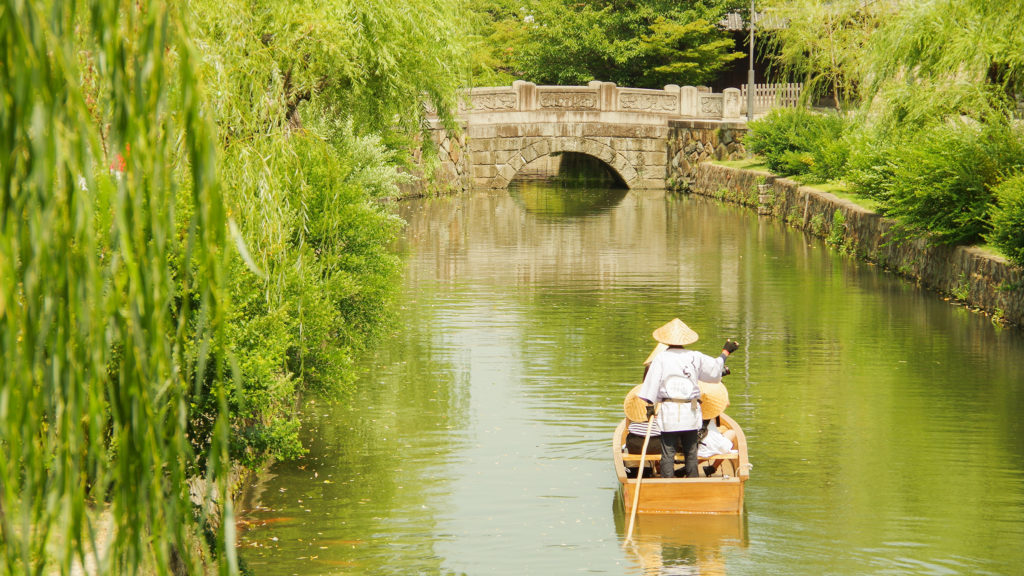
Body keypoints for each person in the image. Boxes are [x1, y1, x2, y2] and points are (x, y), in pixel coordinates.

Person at [637, 318, 739, 478]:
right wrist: (725, 352)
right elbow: (715, 370)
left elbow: (650, 384)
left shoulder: (661, 359)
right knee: (691, 453)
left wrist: (650, 407)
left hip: (670, 412)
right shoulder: (694, 356)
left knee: (668, 454)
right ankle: (693, 484)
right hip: (690, 412)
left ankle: (667, 486)